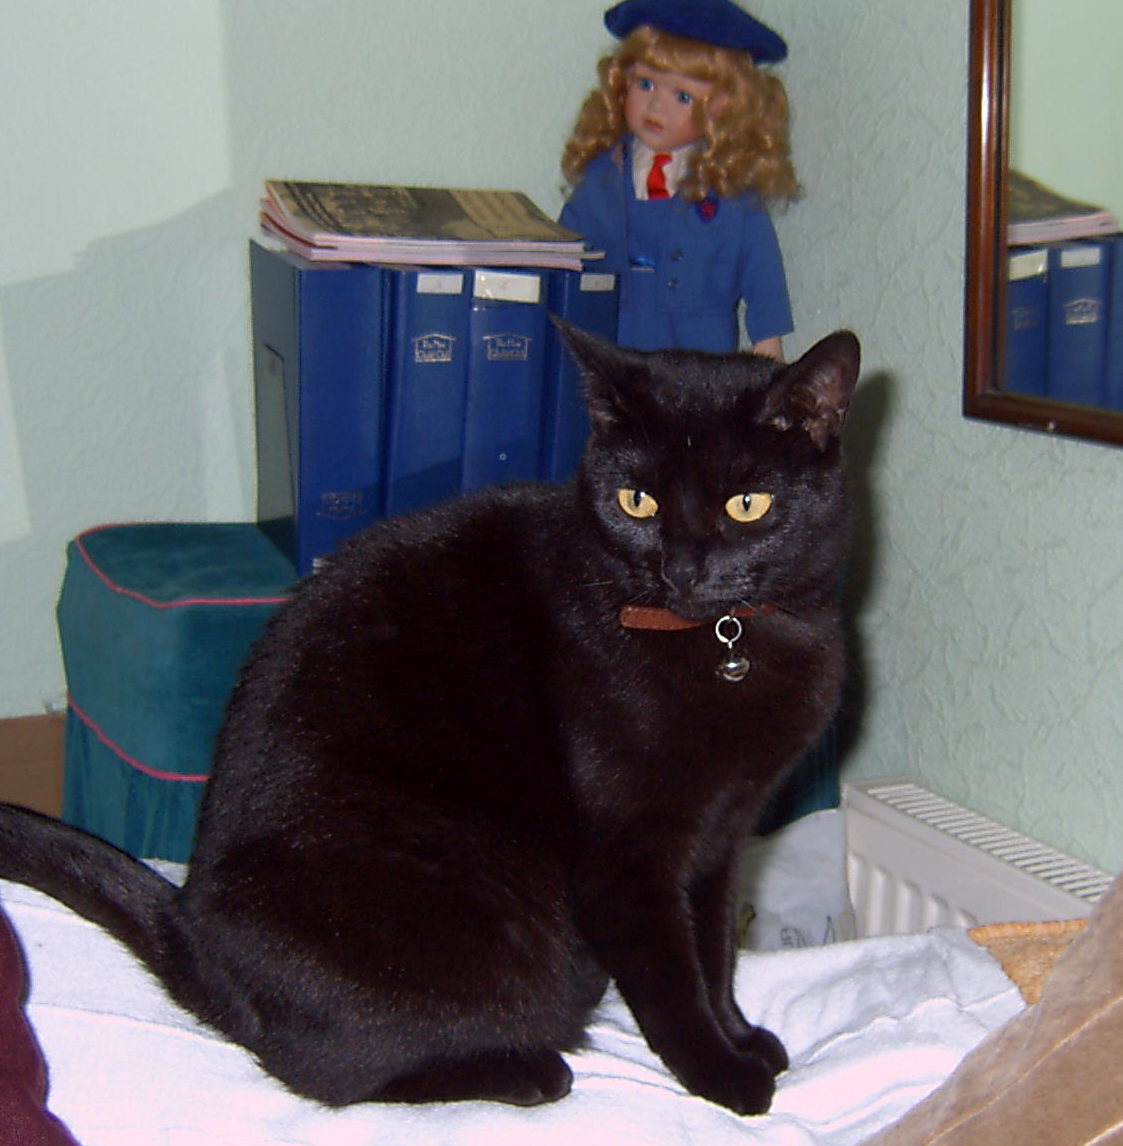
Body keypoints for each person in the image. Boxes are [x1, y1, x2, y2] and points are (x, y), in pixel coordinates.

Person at [560, 0, 799, 357]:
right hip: (610, 347)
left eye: (683, 96)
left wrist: (768, 355)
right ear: (622, 81)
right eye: (645, 84)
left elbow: (763, 279)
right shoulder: (601, 180)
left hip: (700, 355)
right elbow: (561, 257)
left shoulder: (733, 198)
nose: (657, 108)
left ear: (723, 109)